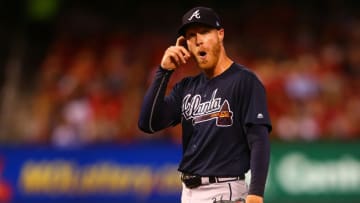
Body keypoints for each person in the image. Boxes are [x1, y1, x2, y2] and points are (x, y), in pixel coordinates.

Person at [138, 6, 271, 203]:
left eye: (204, 32)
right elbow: (148, 124)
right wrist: (164, 71)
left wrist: (256, 193)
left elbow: (259, 140)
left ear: (220, 34)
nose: (198, 40)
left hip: (225, 190)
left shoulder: (244, 81)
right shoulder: (186, 88)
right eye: (191, 36)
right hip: (188, 193)